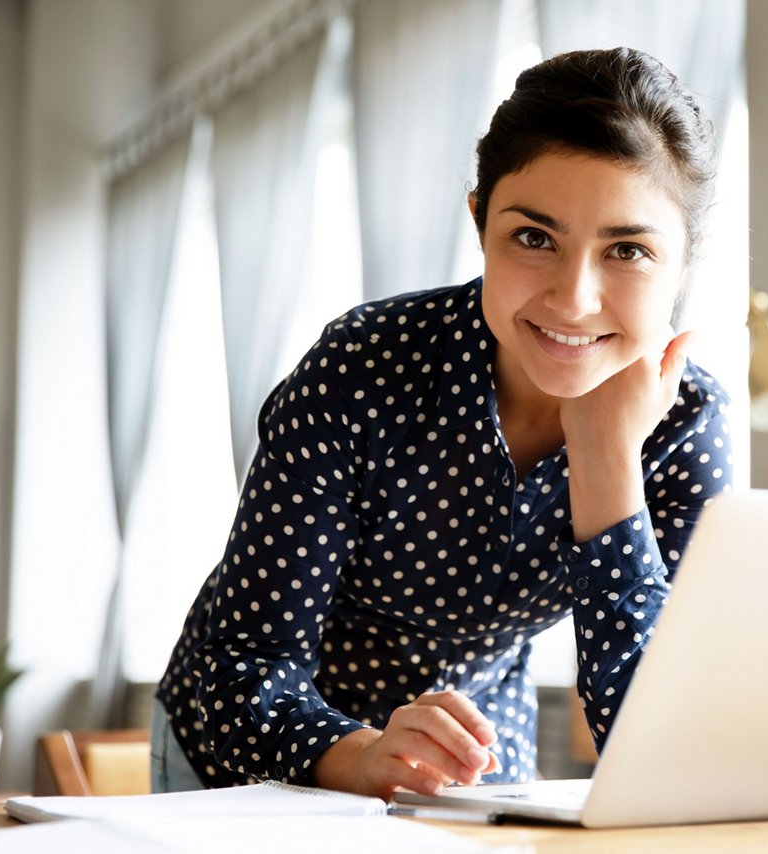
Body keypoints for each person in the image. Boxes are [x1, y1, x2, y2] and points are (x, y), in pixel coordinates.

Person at [152, 46, 734, 801]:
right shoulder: (363, 367)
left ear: (685, 262)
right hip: (253, 753)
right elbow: (242, 666)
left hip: (475, 766)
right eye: (533, 238)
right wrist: (358, 753)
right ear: (480, 223)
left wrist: (607, 461)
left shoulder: (685, 425)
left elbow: (657, 738)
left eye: (628, 250)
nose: (573, 299)